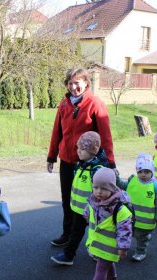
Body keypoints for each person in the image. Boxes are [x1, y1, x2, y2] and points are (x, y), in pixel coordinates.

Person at [47, 68, 116, 247]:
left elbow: (105, 135)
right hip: (67, 161)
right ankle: (67, 234)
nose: (73, 86)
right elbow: (57, 131)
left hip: (87, 163)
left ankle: (95, 238)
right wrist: (52, 156)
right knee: (68, 200)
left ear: (86, 83)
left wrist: (110, 162)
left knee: (90, 202)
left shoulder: (95, 103)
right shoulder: (64, 104)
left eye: (77, 82)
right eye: (70, 83)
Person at [51, 131, 108, 265]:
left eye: (83, 149)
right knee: (76, 232)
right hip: (79, 208)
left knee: (96, 231)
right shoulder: (80, 164)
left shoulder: (96, 169)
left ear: (93, 151)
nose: (79, 151)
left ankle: (94, 252)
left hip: (92, 208)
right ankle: (69, 255)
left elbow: (103, 189)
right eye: (78, 148)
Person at [77, 168, 133, 280]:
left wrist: (123, 247)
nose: (98, 191)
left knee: (101, 267)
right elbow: (88, 211)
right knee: (107, 262)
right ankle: (112, 279)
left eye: (103, 188)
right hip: (99, 243)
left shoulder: (119, 208)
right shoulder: (93, 200)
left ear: (113, 189)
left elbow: (125, 230)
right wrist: (86, 216)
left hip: (111, 245)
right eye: (95, 187)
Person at [120, 153, 157, 262]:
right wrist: (115, 178)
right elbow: (122, 184)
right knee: (126, 233)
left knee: (142, 238)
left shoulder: (155, 186)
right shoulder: (133, 180)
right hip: (130, 219)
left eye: (146, 171)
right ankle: (122, 249)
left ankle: (140, 252)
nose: (143, 174)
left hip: (146, 221)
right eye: (140, 171)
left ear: (152, 171)